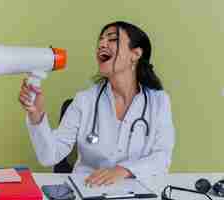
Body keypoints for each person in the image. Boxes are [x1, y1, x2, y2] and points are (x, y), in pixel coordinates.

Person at [19, 21, 175, 186]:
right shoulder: (85, 100)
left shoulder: (159, 101)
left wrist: (123, 171)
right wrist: (36, 116)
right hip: (88, 188)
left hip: (137, 190)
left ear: (135, 54)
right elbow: (49, 156)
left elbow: (162, 158)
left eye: (112, 39)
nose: (101, 44)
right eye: (100, 40)